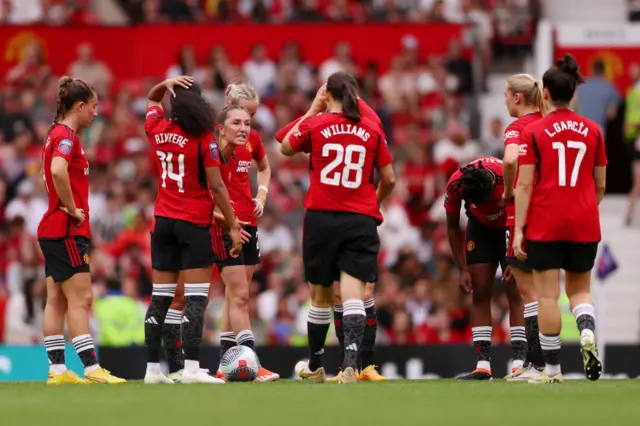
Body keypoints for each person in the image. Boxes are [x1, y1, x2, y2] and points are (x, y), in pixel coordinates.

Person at [281, 72, 395, 384]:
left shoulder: (316, 124)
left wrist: (312, 109)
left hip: (321, 219)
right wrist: (374, 202)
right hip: (359, 219)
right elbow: (390, 178)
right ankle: (350, 365)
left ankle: (316, 364)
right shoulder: (371, 128)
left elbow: (286, 148)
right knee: (354, 296)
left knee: (320, 298)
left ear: (325, 93)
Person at [513, 54, 606, 384]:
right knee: (580, 292)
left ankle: (552, 370)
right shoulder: (594, 131)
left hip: (546, 222)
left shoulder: (534, 132)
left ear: (546, 95)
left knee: (549, 296)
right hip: (584, 222)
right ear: (573, 93)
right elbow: (601, 184)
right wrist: (584, 207)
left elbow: (524, 184)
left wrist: (518, 232)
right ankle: (587, 332)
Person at [143, 76, 242, 384]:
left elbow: (151, 101)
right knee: (197, 298)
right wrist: (234, 224)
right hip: (194, 222)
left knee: (160, 298)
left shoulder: (158, 129)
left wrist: (164, 83)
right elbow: (217, 185)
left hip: (163, 222)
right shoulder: (204, 138)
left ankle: (150, 370)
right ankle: (192, 368)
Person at [39, 76, 125, 384]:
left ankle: (58, 371)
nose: (96, 113)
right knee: (81, 299)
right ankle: (91, 369)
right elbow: (57, 170)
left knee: (57, 300)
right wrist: (73, 207)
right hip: (66, 229)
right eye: (94, 107)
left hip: (51, 228)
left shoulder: (54, 134)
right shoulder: (66, 135)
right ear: (80, 106)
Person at [210, 82, 279, 382]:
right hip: (225, 223)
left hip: (249, 221)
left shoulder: (252, 139)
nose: (246, 126)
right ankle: (251, 360)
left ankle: (225, 365)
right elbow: (208, 187)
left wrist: (261, 194)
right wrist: (228, 221)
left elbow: (264, 167)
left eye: (251, 118)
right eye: (240, 119)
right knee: (238, 295)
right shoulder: (215, 144)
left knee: (236, 295)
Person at [444, 156, 525, 380]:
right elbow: (451, 227)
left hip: (510, 225)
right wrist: (461, 269)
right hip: (480, 229)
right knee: (480, 292)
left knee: (514, 291)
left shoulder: (506, 176)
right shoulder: (455, 184)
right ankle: (483, 366)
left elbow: (522, 215)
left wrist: (513, 257)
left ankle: (519, 364)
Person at [501, 73, 545, 381]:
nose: (505, 100)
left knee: (528, 293)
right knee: (546, 292)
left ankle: (534, 364)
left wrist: (506, 191)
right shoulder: (548, 124)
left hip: (523, 214)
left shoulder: (517, 128)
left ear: (517, 98)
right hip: (550, 213)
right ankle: (549, 364)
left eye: (506, 95)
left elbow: (510, 160)